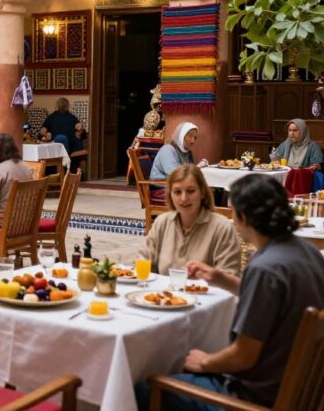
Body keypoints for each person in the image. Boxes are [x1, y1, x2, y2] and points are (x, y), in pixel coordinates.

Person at [135, 175, 324, 411]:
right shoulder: (307, 253)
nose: (233, 222)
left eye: (234, 213)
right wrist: (220, 278)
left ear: (243, 217)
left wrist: (204, 362)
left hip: (250, 398)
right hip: (299, 388)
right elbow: (274, 300)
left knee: (141, 387)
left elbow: (243, 356)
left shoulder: (264, 268)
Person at [138, 164, 241, 276]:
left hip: (206, 293)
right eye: (177, 192)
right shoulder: (161, 223)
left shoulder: (222, 228)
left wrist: (209, 275)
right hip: (164, 293)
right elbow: (143, 261)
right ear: (170, 195)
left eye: (191, 191)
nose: (184, 198)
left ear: (202, 192)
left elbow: (229, 276)